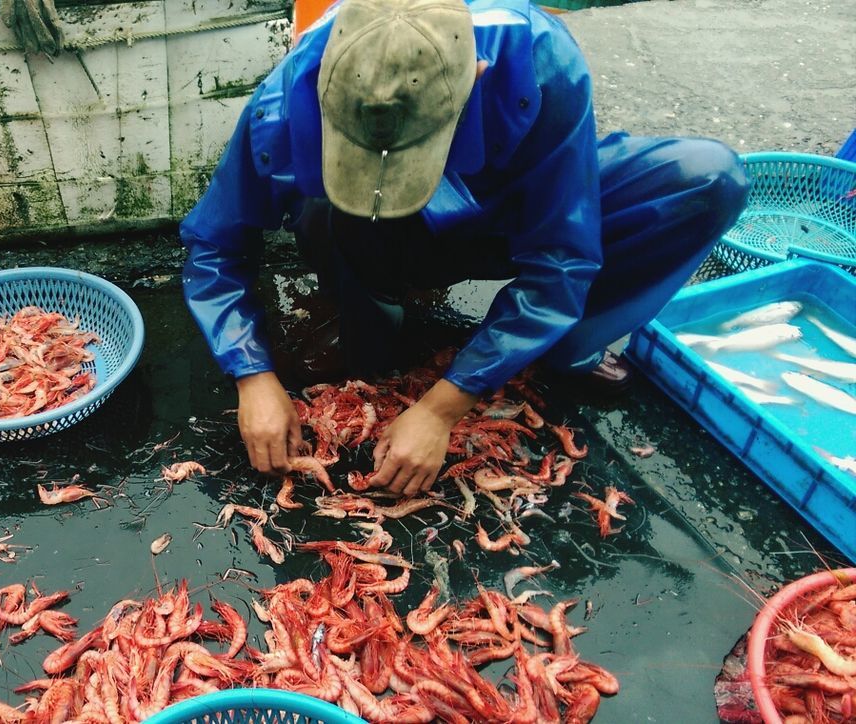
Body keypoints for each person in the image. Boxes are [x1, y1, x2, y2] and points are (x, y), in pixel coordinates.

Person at [179, 0, 749, 497]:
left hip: (508, 206)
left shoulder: (536, 59)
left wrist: (440, 408)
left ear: (477, 76)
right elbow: (213, 244)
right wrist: (251, 374)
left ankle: (559, 348)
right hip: (388, 235)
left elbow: (562, 251)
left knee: (707, 179)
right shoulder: (289, 92)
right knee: (322, 211)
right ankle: (376, 311)